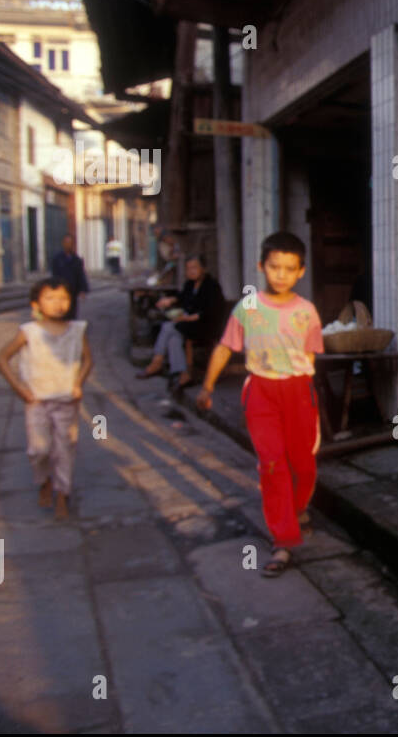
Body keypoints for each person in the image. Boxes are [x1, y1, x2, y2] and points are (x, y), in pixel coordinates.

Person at [196, 232, 323, 577]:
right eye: (274, 267)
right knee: (271, 464)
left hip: (298, 393)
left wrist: (300, 387)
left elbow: (309, 356)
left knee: (303, 464)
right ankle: (283, 539)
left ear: (301, 271)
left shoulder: (307, 312)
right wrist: (207, 386)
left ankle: (298, 509)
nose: (280, 274)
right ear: (261, 267)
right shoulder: (248, 307)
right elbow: (225, 348)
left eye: (289, 268)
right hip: (261, 393)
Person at [0, 279, 93, 520]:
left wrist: (78, 383)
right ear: (36, 304)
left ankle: (63, 494)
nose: (58, 304)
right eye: (50, 298)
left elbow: (88, 360)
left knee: (65, 449)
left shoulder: (77, 330)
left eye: (63, 298)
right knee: (38, 450)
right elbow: (2, 359)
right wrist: (20, 389)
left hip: (66, 400)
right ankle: (44, 480)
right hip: (37, 401)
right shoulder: (29, 331)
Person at [137, 255, 226, 388]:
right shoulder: (189, 284)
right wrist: (170, 300)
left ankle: (157, 361)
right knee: (174, 337)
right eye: (188, 268)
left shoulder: (211, 286)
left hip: (206, 326)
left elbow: (211, 312)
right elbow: (181, 297)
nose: (191, 271)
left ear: (203, 269)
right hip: (189, 325)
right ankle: (183, 374)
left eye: (194, 268)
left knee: (168, 327)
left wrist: (188, 318)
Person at [49, 235, 89, 320]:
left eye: (70, 243)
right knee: (62, 311)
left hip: (73, 289)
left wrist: (82, 289)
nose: (68, 245)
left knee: (72, 311)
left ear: (73, 244)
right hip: (61, 289)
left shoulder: (77, 260)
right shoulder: (57, 259)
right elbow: (54, 274)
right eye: (66, 243)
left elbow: (81, 275)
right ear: (63, 244)